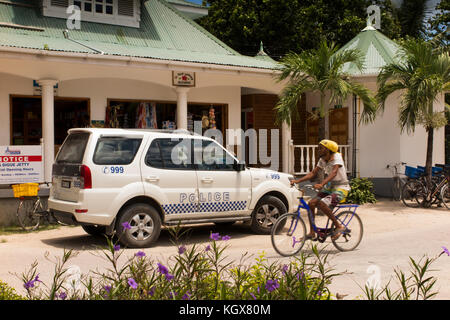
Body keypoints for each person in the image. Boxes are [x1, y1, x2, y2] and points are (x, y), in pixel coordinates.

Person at [290, 139, 350, 241]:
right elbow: (313, 173)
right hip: (330, 188)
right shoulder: (322, 160)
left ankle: (339, 226)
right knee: (311, 203)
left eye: (321, 148)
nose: (319, 150)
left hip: (341, 188)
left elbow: (334, 172)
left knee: (322, 203)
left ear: (328, 149)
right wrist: (297, 181)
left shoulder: (337, 157)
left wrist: (322, 184)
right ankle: (312, 232)